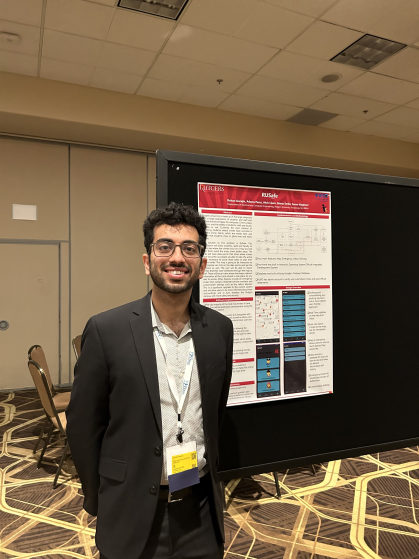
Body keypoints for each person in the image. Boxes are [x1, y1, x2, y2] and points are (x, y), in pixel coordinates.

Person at [66, 202, 234, 559]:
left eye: (189, 248)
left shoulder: (219, 329)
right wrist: (100, 497)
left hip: (199, 507)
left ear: (201, 266)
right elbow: (83, 426)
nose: (177, 257)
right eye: (165, 247)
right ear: (147, 262)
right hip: (130, 507)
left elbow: (215, 413)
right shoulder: (106, 330)